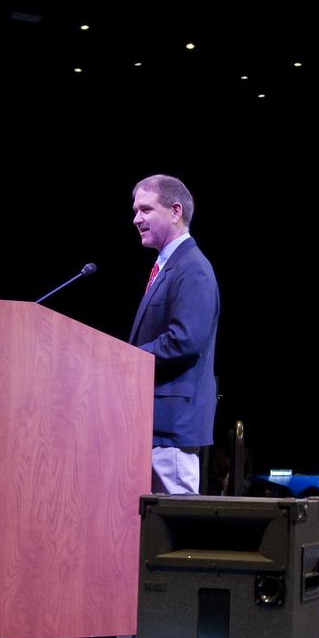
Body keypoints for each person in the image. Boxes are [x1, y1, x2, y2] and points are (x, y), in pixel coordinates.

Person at [129, 174, 220, 495]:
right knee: (155, 531)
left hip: (172, 427)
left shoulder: (191, 267)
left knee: (176, 533)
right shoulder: (169, 266)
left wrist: (128, 360)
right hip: (153, 424)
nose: (136, 218)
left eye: (145, 209)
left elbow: (185, 340)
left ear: (175, 210)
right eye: (135, 210)